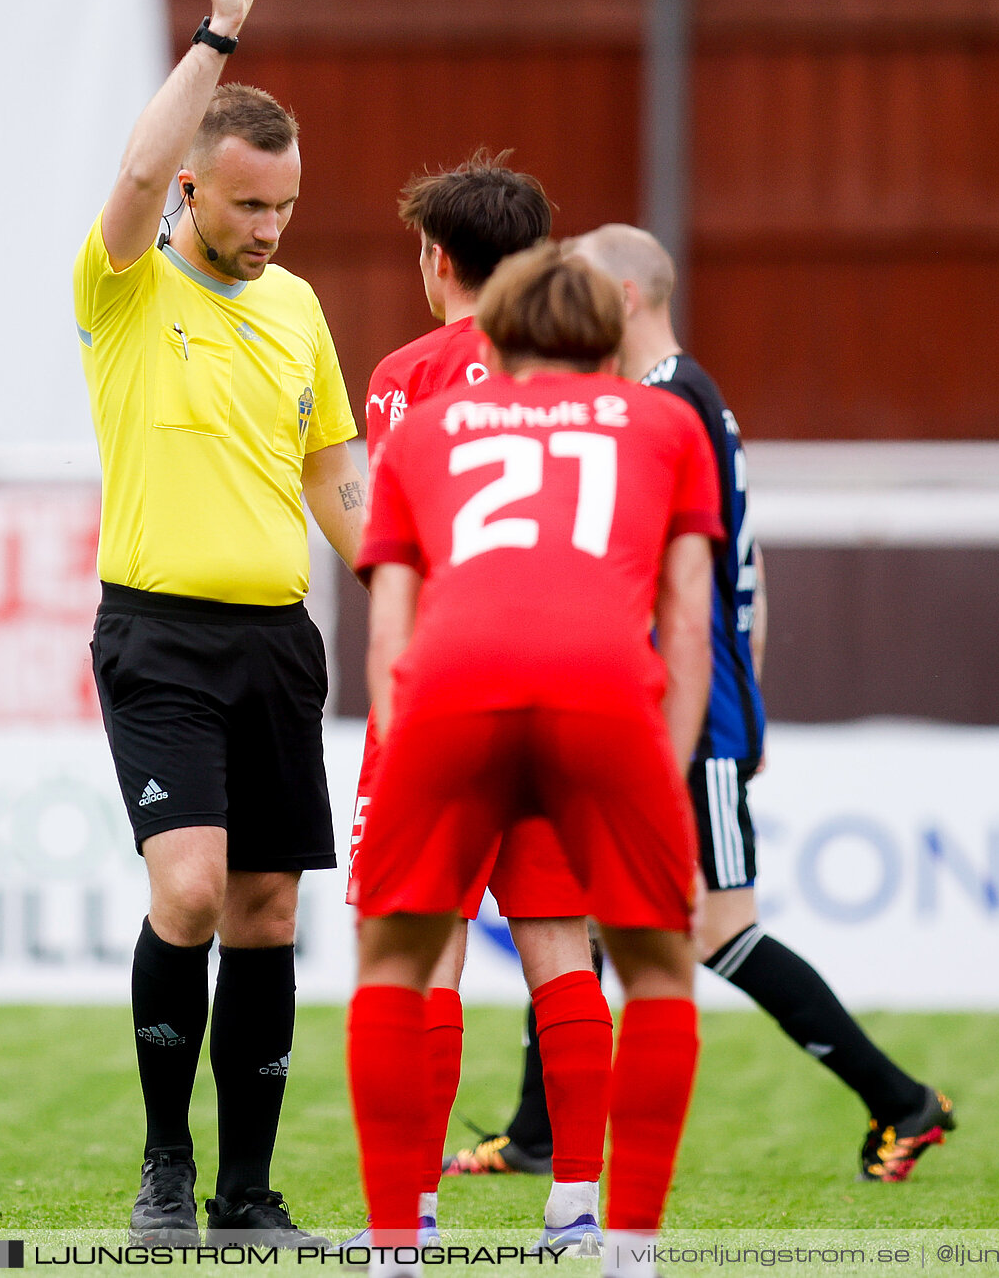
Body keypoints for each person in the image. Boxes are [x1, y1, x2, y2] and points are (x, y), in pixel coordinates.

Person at [446, 225, 957, 1185]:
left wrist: (734, 714)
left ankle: (903, 1102)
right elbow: (745, 570)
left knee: (718, 928)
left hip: (691, 709)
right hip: (667, 698)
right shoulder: (675, 399)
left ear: (626, 300)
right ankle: (538, 1131)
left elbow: (702, 580)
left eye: (584, 290)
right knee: (578, 911)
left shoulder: (667, 402)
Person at [73, 0, 366, 1245]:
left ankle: (249, 1197)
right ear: (196, 189)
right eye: (249, 208)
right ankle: (165, 1174)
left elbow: (339, 485)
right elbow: (135, 166)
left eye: (286, 210)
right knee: (188, 890)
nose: (269, 232)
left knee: (266, 909)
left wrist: (426, 588)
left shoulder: (300, 308)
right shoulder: (123, 285)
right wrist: (218, 30)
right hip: (159, 637)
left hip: (277, 644)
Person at [349, 243, 719, 1278]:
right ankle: (614, 1238)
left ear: (494, 336)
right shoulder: (664, 422)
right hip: (603, 693)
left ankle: (398, 1244)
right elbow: (686, 625)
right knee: (651, 970)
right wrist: (662, 768)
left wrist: (406, 755)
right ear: (606, 333)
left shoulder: (424, 427)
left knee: (396, 962)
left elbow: (390, 629)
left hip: (451, 693)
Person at [347, 155, 613, 1251]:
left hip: (442, 684)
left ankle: (412, 1210)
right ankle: (578, 1202)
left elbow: (391, 557)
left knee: (428, 951)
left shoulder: (403, 375)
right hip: (561, 684)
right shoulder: (590, 385)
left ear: (437, 259)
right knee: (561, 944)